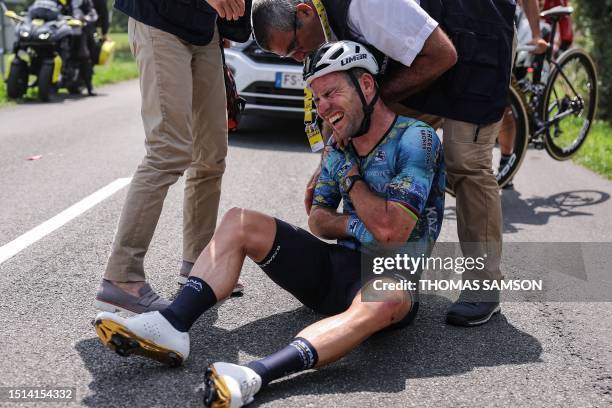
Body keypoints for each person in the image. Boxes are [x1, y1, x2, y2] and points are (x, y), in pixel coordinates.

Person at [94, 41, 446, 407]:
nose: (324, 108)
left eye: (331, 93)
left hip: (390, 277)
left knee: (383, 300)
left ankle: (253, 376)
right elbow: (319, 220)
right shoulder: (337, 145)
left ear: (367, 87)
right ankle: (172, 325)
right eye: (317, 99)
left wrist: (352, 178)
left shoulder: (416, 139)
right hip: (335, 271)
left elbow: (392, 232)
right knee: (240, 220)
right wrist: (358, 225)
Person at [251, 0, 516, 326]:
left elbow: (443, 54)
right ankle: (373, 257)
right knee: (359, 123)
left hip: (476, 45)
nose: (298, 58)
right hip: (427, 61)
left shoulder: (365, 4)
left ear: (305, 11)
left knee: (466, 163)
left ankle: (484, 287)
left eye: (294, 47)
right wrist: (329, 165)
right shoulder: (321, 24)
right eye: (286, 56)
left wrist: (370, 103)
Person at [94, 0, 245, 315]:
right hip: (160, 18)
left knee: (212, 155)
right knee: (169, 150)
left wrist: (223, 25)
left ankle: (199, 264)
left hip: (206, 28)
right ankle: (122, 275)